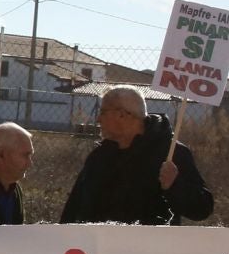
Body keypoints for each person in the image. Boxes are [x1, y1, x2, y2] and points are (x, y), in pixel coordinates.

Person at [59, 86, 212, 225]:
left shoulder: (171, 153)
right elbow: (74, 207)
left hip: (149, 251)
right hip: (99, 250)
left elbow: (202, 208)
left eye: (103, 112)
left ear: (122, 115)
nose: (98, 119)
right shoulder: (99, 156)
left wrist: (175, 185)